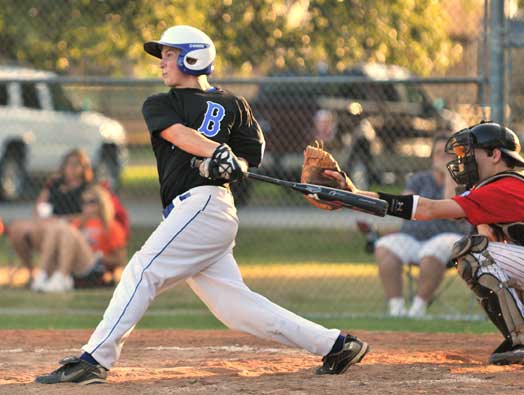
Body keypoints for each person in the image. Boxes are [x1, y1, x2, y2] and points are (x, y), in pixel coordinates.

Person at [35, 25, 368, 385]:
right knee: (236, 309)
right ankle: (336, 345)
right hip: (197, 213)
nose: (162, 62)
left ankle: (94, 359)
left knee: (142, 271)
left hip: (205, 205)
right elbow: (178, 134)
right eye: (162, 55)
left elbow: (251, 155)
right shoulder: (161, 103)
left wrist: (226, 160)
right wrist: (216, 152)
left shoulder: (234, 104)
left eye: (169, 54)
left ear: (193, 57)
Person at [323, 121, 524, 366]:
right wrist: (353, 195)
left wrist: (353, 195)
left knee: (475, 254)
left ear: (495, 155)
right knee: (489, 251)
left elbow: (428, 209)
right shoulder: (522, 179)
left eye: (470, 154)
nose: (464, 162)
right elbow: (493, 239)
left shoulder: (502, 187)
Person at [375, 134, 471, 318]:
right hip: (412, 238)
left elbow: (454, 215)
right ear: (431, 157)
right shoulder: (419, 179)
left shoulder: (463, 181)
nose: (442, 158)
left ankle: (417, 309)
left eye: (447, 155)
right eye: (438, 153)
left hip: (449, 237)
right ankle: (396, 309)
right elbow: (404, 208)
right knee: (384, 247)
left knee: (432, 252)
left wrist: (450, 175)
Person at [7, 149, 93, 274]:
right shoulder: (55, 184)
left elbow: (87, 216)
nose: (71, 168)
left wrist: (61, 220)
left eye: (76, 164)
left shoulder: (87, 188)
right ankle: (31, 273)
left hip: (68, 229)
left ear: (84, 167)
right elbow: (39, 204)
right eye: (68, 164)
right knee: (17, 229)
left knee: (54, 229)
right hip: (46, 223)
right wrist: (40, 217)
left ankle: (46, 274)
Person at [31, 184, 127, 292]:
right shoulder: (79, 223)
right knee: (56, 227)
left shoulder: (110, 226)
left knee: (66, 229)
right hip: (75, 265)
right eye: (83, 202)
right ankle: (41, 275)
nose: (86, 206)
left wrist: (100, 256)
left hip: (95, 268)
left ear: (101, 203)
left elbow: (120, 260)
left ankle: (61, 277)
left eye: (91, 202)